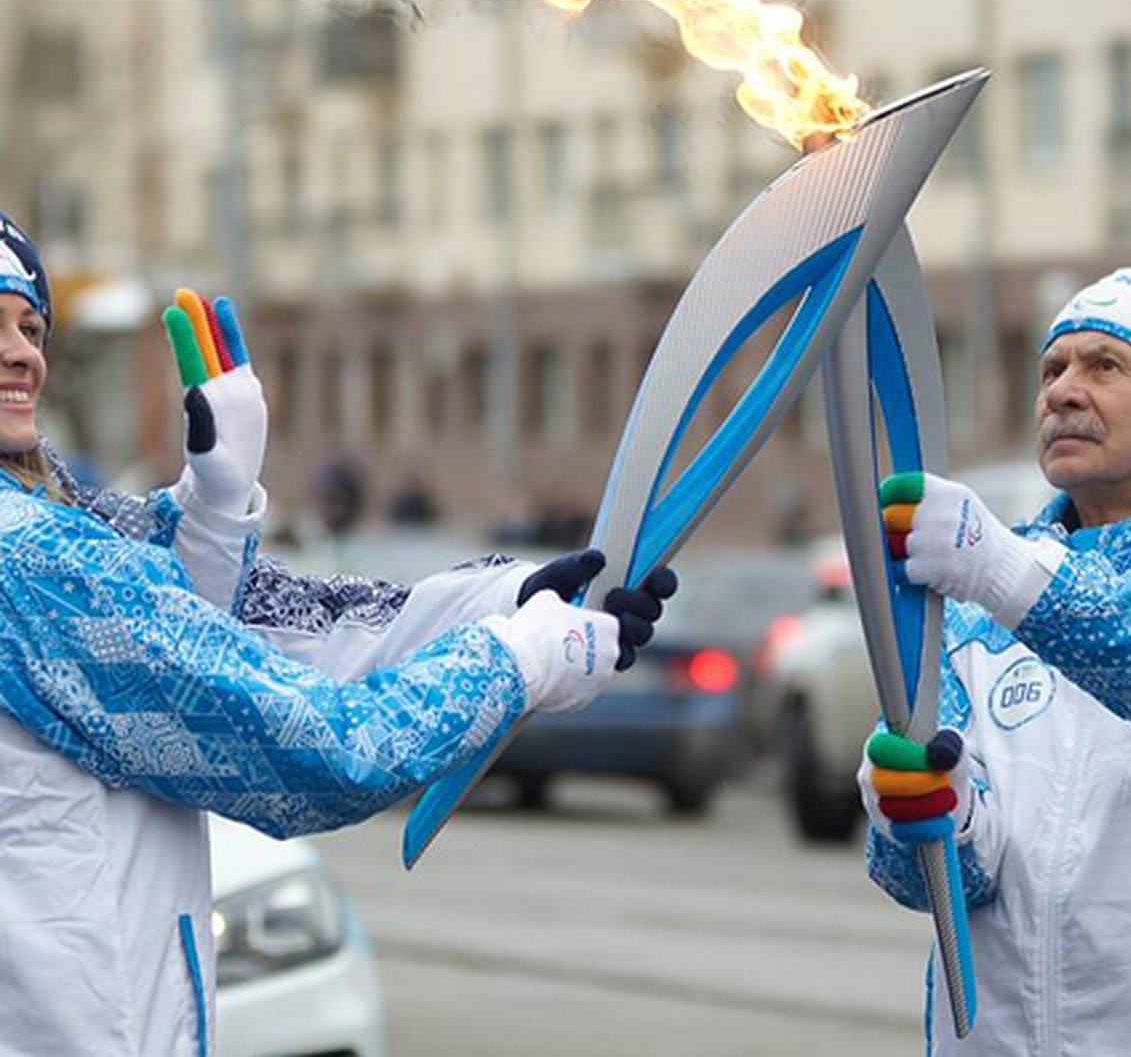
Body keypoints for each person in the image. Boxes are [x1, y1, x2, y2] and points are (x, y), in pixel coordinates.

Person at [0, 210, 675, 1056]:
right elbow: (316, 745)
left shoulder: (56, 543)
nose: (23, 351)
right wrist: (523, 656)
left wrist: (509, 600)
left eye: (29, 324)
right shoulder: (27, 562)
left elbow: (241, 641)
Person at [857, 266, 1131, 1055]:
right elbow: (938, 889)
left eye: (1106, 366)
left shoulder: (996, 579)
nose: (1064, 393)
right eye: (1053, 370)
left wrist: (1004, 571)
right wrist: (924, 812)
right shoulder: (971, 615)